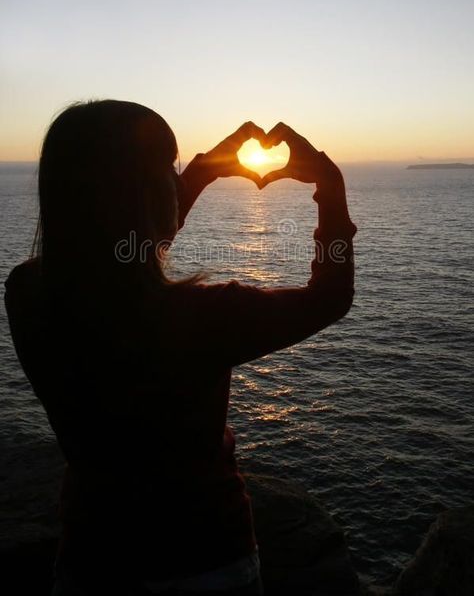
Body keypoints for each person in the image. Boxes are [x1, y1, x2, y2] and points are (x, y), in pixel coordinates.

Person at [4, 100, 357, 596]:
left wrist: (201, 171)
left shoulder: (28, 292)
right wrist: (330, 188)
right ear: (139, 195)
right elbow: (330, 298)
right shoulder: (201, 317)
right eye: (165, 169)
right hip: (205, 562)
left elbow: (127, 247)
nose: (175, 179)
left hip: (92, 560)